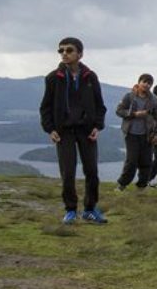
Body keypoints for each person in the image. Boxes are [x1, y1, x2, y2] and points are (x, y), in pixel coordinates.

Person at [39, 37, 107, 225]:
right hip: (64, 131)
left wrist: (97, 126)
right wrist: (50, 129)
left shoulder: (90, 77)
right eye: (61, 51)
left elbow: (100, 105)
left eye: (69, 50)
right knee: (68, 172)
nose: (64, 54)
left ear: (80, 54)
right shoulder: (53, 78)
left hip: (86, 130)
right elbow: (45, 107)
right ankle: (70, 210)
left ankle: (90, 209)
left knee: (92, 171)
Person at [114, 74, 157, 192]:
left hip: (147, 135)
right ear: (139, 82)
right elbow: (119, 110)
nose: (146, 85)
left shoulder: (154, 100)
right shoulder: (130, 97)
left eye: (149, 83)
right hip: (131, 133)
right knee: (132, 161)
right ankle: (122, 184)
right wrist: (134, 114)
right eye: (144, 82)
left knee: (146, 161)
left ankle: (141, 186)